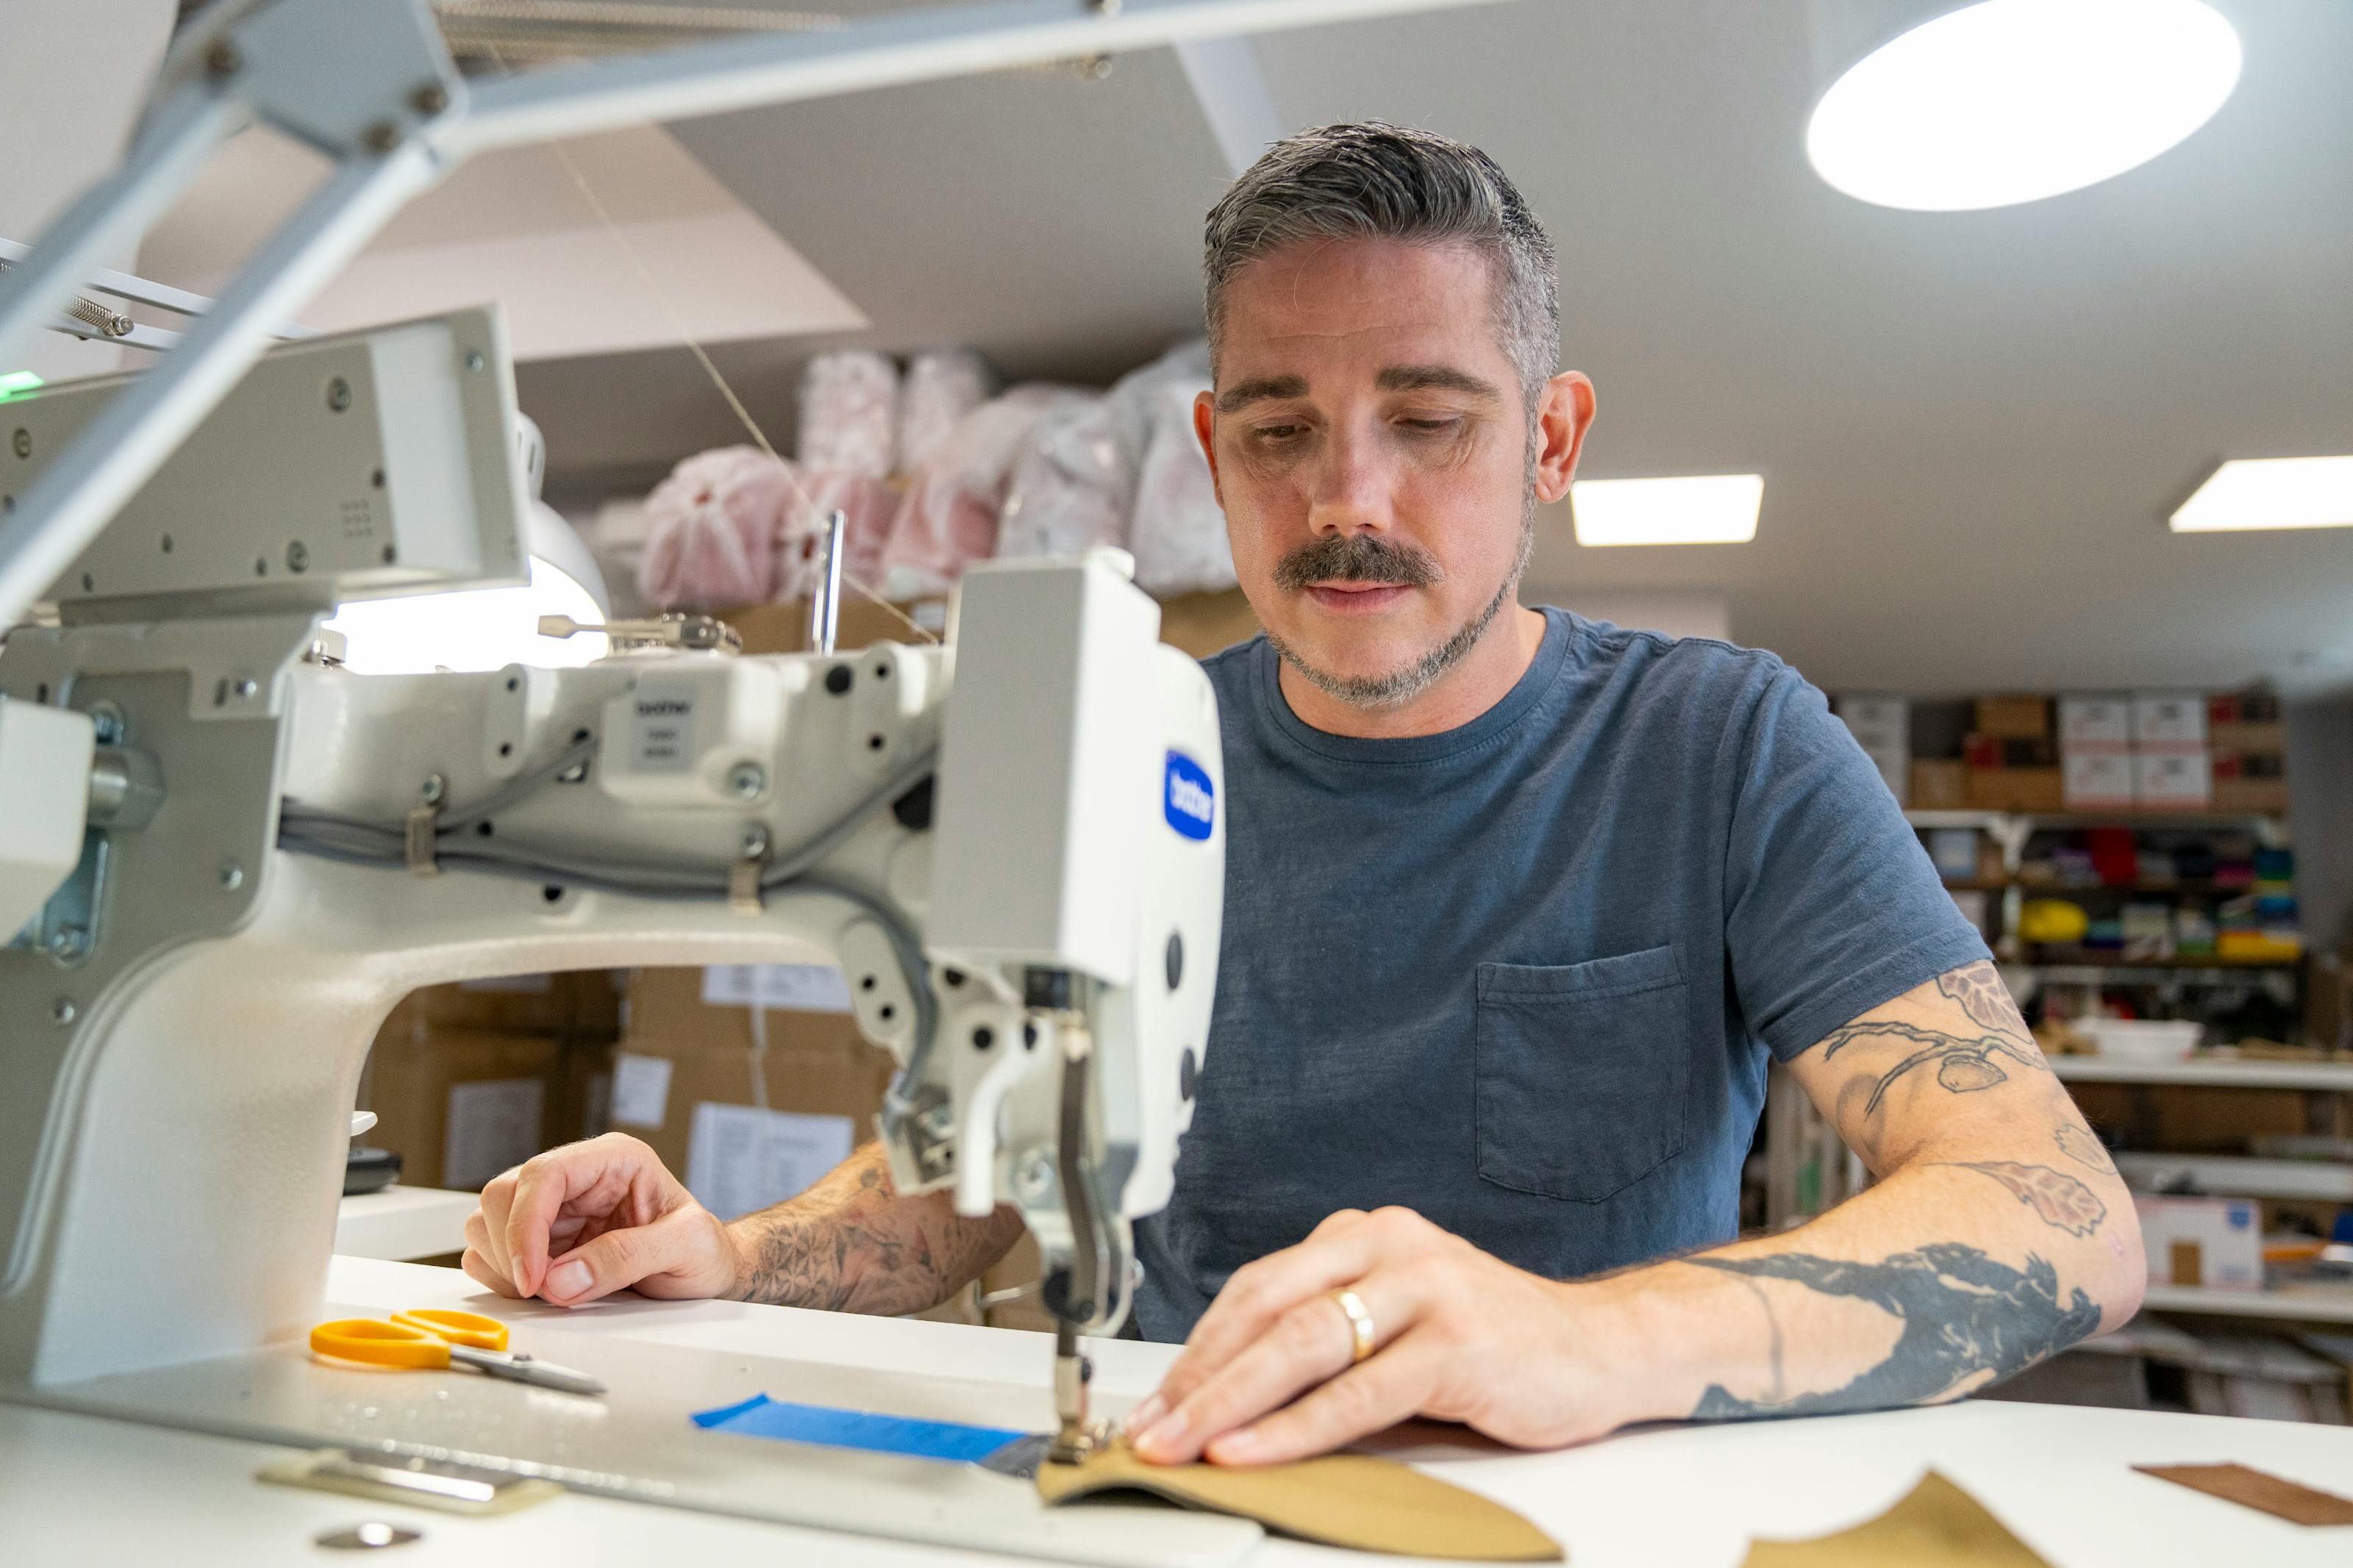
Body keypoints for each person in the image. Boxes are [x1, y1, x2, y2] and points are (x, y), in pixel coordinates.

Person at [463, 123, 2143, 1468]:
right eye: (1278, 432)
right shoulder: (1127, 750)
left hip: (1573, 1503)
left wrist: (1582, 1337)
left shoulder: (1726, 748)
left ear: (1552, 439)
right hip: (1183, 1482)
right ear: (1209, 450)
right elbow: (976, 1167)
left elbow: (2054, 1216)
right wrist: (732, 1256)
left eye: (1427, 420)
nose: (1345, 498)